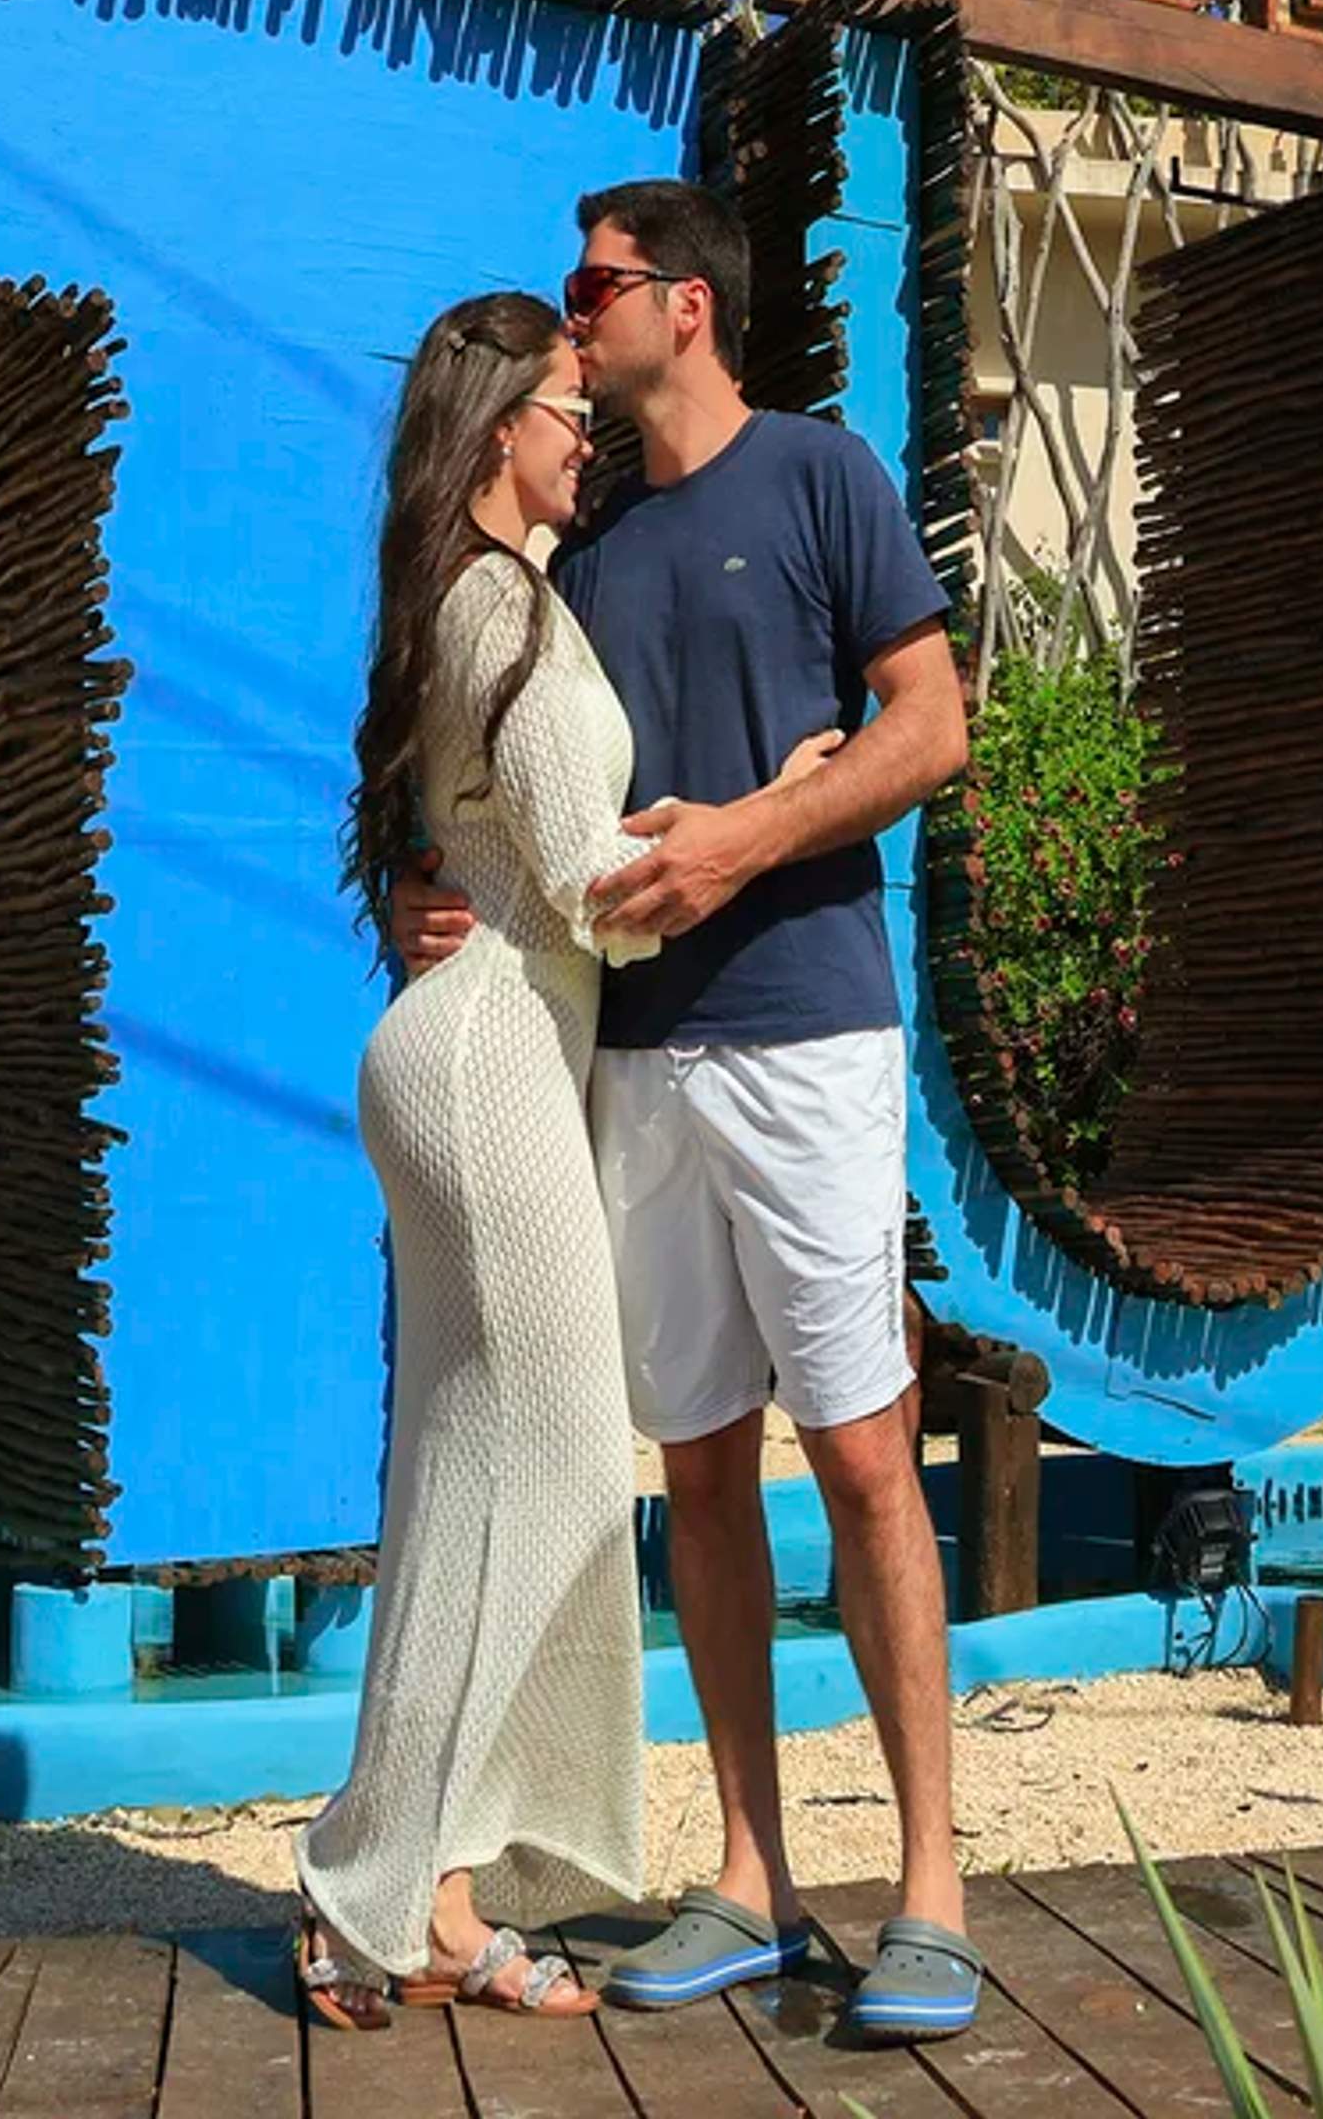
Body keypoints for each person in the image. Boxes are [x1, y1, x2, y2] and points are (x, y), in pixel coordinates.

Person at [389, 181, 977, 2040]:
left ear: (689, 306)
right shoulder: (590, 555)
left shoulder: (821, 475)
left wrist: (751, 836)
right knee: (701, 1462)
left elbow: (932, 726)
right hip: (633, 1060)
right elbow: (510, 794)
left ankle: (934, 1891)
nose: (576, 324)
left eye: (598, 289)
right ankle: (750, 1874)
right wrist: (424, 892)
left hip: (808, 1033)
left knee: (868, 1449)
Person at [293, 291, 656, 2028]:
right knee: (575, 1459)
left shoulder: (501, 602)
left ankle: (422, 1900)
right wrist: (767, 819)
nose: (590, 434)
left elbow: (495, 841)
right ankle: (374, 1882)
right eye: (569, 408)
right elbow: (590, 882)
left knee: (461, 1484)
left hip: (480, 1055)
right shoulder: (492, 600)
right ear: (499, 419)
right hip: (487, 1061)